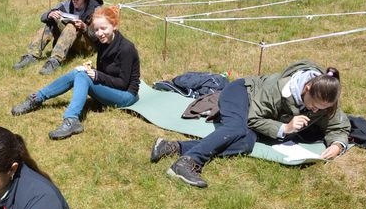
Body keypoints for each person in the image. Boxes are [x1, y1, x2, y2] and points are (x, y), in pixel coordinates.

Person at [150, 60, 351, 188]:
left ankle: (172, 147)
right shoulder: (276, 89)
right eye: (313, 106)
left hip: (260, 116)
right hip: (241, 94)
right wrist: (285, 128)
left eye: (322, 109)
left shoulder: (324, 96)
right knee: (235, 128)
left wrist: (338, 144)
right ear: (306, 88)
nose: (316, 111)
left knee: (245, 144)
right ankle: (188, 163)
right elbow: (254, 119)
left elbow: (339, 125)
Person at [11, 5, 140, 140]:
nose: (99, 33)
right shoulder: (103, 41)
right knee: (77, 72)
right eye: (96, 29)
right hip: (110, 86)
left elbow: (123, 83)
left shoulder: (126, 48)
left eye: (103, 28)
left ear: (114, 26)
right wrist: (92, 71)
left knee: (83, 76)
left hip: (126, 96)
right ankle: (37, 98)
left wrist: (97, 75)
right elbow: (91, 38)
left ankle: (72, 120)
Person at [13, 0, 103, 75]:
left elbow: (100, 38)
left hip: (87, 47)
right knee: (50, 22)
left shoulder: (96, 10)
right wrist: (50, 14)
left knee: (71, 26)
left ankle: (55, 61)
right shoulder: (67, 4)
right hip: (70, 43)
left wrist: (85, 27)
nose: (74, 0)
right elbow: (43, 17)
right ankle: (32, 55)